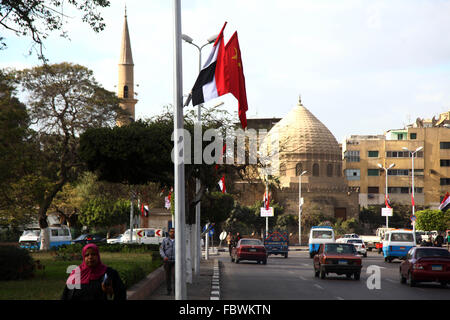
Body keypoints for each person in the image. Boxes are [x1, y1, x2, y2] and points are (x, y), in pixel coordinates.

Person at [61, 243, 126, 300]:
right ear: (83, 257)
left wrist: (110, 292)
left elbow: (121, 294)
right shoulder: (76, 273)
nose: (90, 257)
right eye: (87, 255)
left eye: (93, 254)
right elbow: (66, 295)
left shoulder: (109, 273)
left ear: (98, 256)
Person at [160, 227, 175, 295]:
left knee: (175, 276)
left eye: (173, 231)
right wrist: (164, 257)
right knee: (167, 276)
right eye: (171, 231)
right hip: (167, 261)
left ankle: (176, 290)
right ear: (169, 232)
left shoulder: (178, 240)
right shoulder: (165, 240)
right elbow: (161, 250)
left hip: (175, 261)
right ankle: (169, 291)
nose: (172, 233)